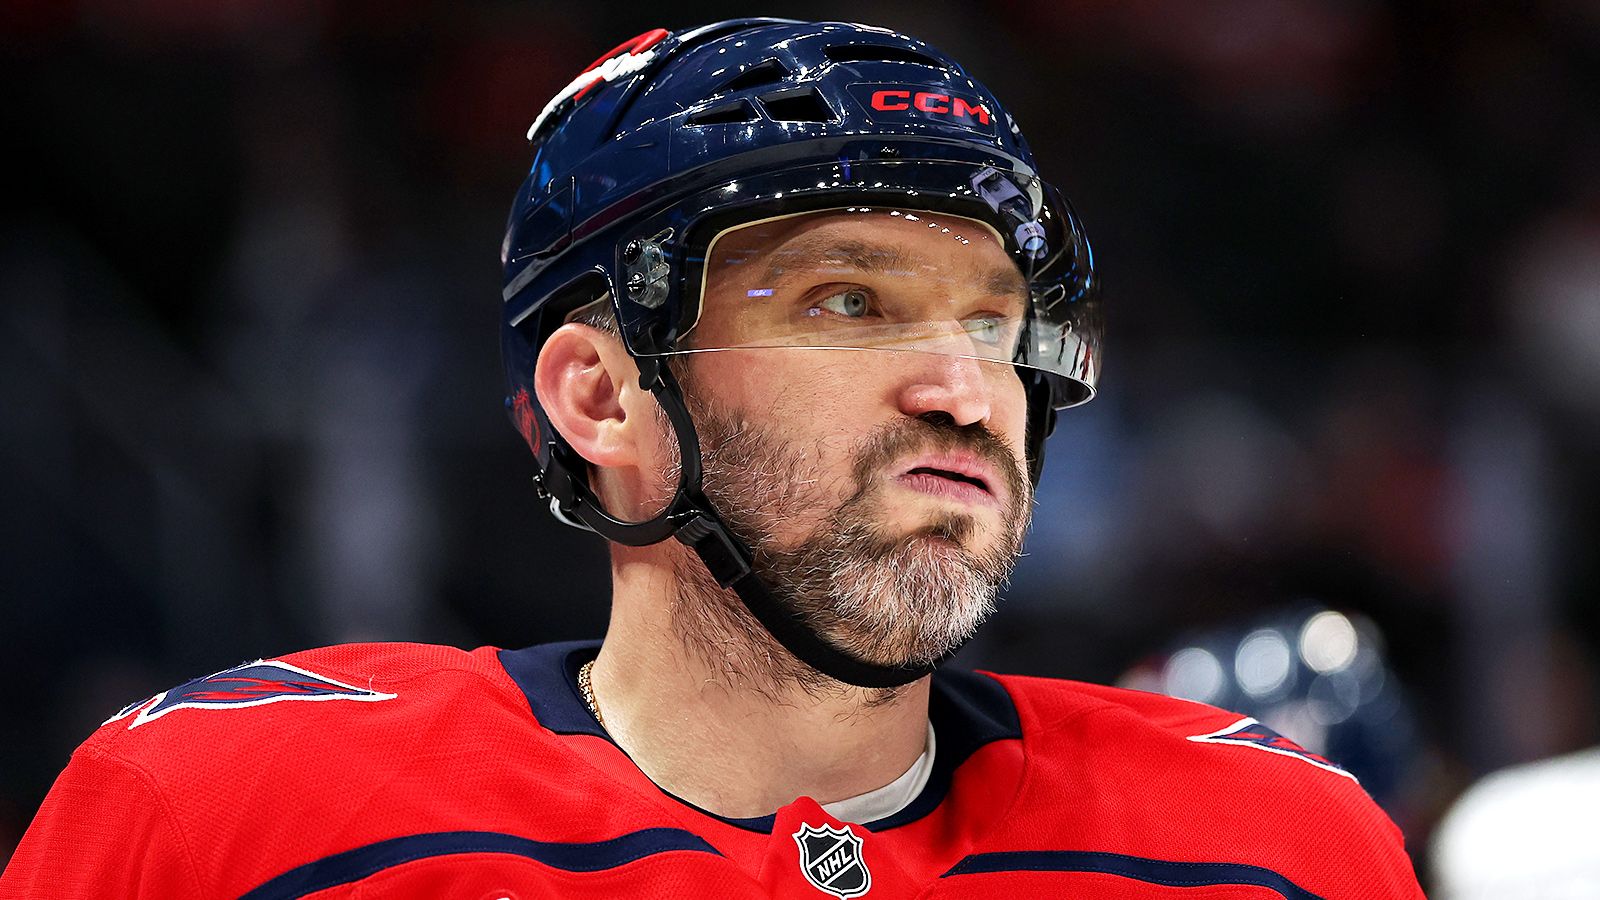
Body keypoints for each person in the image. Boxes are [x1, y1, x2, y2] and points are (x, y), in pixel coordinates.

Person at [0, 19, 1424, 899]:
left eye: (994, 323)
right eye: (848, 302)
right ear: (603, 397)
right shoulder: (229, 818)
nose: (963, 389)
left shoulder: (1270, 845)